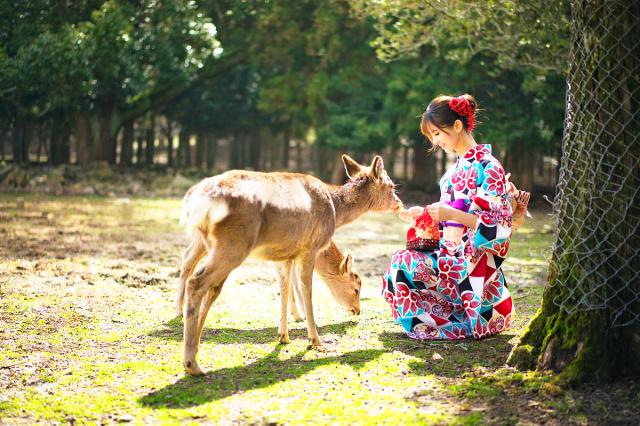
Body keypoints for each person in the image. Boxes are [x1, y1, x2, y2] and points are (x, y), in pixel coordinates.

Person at [383, 94, 529, 340]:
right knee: (401, 263)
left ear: (458, 126)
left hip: (474, 262)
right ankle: (440, 320)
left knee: (404, 264)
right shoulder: (452, 173)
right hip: (449, 254)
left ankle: (469, 319)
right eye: (431, 137)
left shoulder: (489, 167)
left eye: (437, 134)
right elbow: (446, 222)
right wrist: (426, 215)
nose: (435, 141)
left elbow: (499, 227)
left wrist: (452, 214)